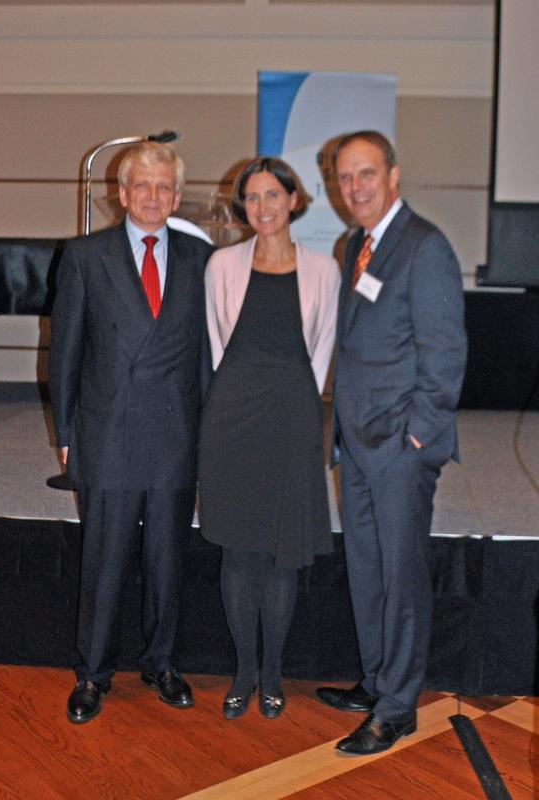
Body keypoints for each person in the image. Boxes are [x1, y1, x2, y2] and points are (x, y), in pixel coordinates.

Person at [49, 141, 213, 724]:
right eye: (141, 185)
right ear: (121, 194)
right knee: (106, 559)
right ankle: (93, 674)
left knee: (167, 559)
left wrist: (208, 433)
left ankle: (161, 662)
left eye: (163, 186)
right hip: (106, 433)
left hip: (174, 433)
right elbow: (65, 353)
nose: (152, 196)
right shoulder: (85, 255)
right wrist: (66, 431)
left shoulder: (199, 256)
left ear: (176, 194)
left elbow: (205, 357)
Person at [316, 131, 467, 755]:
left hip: (401, 443)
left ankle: (399, 707)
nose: (354, 188)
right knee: (367, 567)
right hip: (356, 438)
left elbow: (445, 352)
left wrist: (417, 435)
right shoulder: (357, 243)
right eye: (345, 177)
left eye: (366, 174)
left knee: (401, 576)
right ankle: (378, 680)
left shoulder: (425, 246)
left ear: (394, 175)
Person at [198, 157, 340, 719]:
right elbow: (215, 341)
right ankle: (244, 671)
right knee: (238, 551)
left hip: (294, 415)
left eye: (272, 196)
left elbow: (323, 347)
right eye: (252, 198)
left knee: (283, 555)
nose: (262, 207)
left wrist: (308, 413)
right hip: (232, 417)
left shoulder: (324, 269)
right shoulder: (221, 264)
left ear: (293, 199)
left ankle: (275, 673)